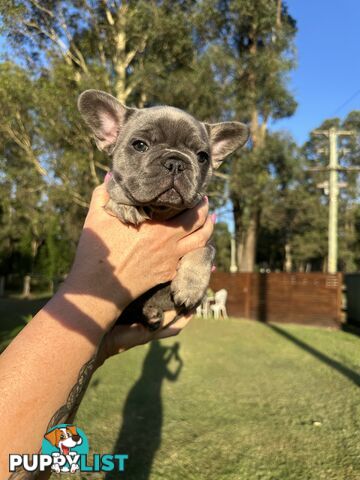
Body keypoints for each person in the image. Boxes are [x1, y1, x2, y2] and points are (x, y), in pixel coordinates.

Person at [0, 178, 214, 478]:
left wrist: (103, 345)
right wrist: (93, 289)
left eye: (200, 155)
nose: (174, 167)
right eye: (140, 145)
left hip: (143, 310)